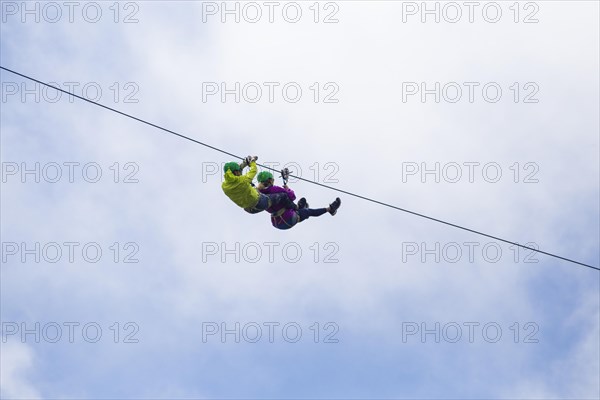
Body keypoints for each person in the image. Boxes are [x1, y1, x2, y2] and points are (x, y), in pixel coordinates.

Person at [256, 169, 341, 230]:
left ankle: (300, 207)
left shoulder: (258, 194)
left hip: (276, 222)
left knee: (298, 209)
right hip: (287, 219)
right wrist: (287, 189)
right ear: (270, 180)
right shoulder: (274, 189)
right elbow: (292, 196)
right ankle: (330, 209)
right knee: (308, 212)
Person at [221, 156, 297, 214]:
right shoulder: (242, 181)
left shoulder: (224, 186)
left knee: (250, 187)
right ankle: (297, 207)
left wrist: (244, 164)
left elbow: (236, 178)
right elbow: (254, 170)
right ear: (236, 172)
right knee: (283, 196)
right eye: (238, 171)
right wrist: (252, 162)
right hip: (258, 202)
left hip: (248, 209)